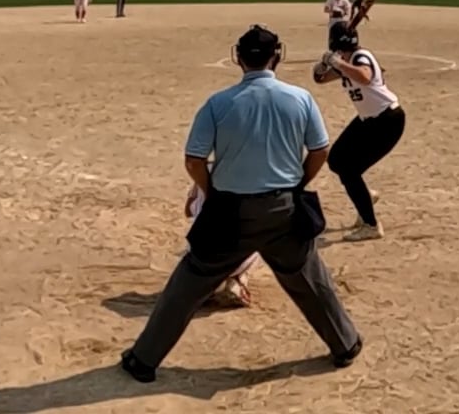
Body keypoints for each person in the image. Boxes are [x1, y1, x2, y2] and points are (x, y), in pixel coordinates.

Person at [120, 24, 361, 382]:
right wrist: (299, 183)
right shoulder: (300, 98)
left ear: (238, 58)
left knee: (189, 282)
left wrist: (211, 191)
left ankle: (143, 360)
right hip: (285, 210)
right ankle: (345, 345)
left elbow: (194, 159)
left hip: (230, 212)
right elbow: (320, 150)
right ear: (278, 56)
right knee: (309, 277)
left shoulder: (218, 103)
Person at [313, 21, 405, 242]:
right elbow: (320, 79)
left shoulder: (361, 57)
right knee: (336, 160)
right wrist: (323, 66)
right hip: (369, 120)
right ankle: (365, 197)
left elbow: (364, 76)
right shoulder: (347, 61)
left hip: (387, 120)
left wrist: (337, 62)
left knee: (349, 170)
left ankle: (371, 225)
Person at [184, 174, 258, 308]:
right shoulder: (252, 178)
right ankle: (238, 280)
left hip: (199, 257)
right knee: (261, 235)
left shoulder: (204, 172)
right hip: (234, 256)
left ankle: (204, 287)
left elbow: (188, 210)